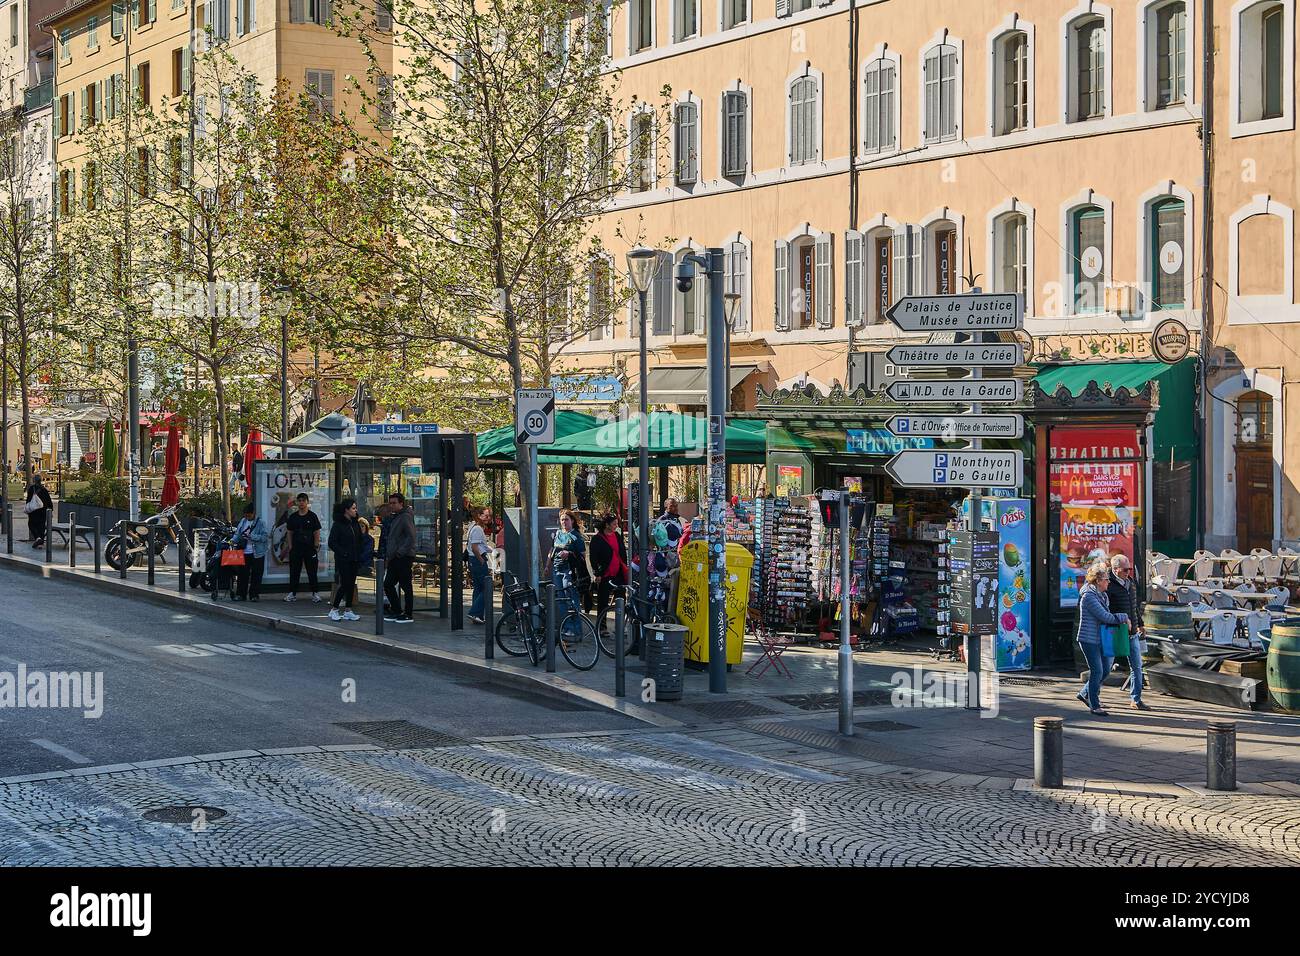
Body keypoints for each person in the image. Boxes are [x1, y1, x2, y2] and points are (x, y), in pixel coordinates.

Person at [1074, 560, 1130, 716]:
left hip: (1101, 638)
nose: (1108, 582)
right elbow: (1105, 617)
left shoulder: (1102, 595)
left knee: (1105, 670)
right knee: (1097, 670)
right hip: (1089, 639)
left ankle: (1085, 694)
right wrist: (1124, 617)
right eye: (1106, 579)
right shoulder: (1089, 597)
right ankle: (1094, 704)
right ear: (1098, 581)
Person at [1108, 553, 1150, 710]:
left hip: (1131, 632)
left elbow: (1134, 605)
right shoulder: (1108, 584)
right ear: (1116, 569)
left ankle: (1136, 699)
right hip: (1115, 631)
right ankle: (1088, 693)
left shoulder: (1130, 582)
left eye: (1130, 569)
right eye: (1125, 570)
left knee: (1137, 666)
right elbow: (1105, 609)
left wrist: (1140, 624)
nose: (1128, 572)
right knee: (1105, 668)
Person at [589, 512, 632, 649]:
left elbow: (622, 552)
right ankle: (602, 627)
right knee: (603, 601)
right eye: (614, 524)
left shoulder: (617, 535)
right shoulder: (597, 539)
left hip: (618, 572)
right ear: (606, 525)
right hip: (605, 574)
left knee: (621, 599)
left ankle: (619, 626)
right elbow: (593, 558)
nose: (616, 526)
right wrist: (597, 573)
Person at [546, 510, 590, 636]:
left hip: (569, 571)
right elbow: (552, 550)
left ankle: (576, 628)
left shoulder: (576, 536)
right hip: (556, 569)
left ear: (572, 521)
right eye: (562, 520)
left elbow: (582, 556)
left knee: (571, 599)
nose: (564, 522)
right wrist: (548, 565)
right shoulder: (558, 534)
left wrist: (569, 553)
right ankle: (566, 627)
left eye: (566, 519)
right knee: (560, 600)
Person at [283, 493, 323, 604]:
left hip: (310, 548)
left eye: (303, 500)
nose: (301, 503)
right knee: (294, 571)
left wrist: (316, 544)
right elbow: (289, 532)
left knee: (312, 571)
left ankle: (315, 593)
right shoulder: (293, 517)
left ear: (307, 502)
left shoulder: (312, 516)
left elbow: (316, 531)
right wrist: (290, 546)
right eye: (299, 500)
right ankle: (292, 593)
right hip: (296, 548)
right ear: (297, 502)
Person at [383, 492, 416, 624]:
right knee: (388, 584)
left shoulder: (405, 517)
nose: (391, 506)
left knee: (405, 585)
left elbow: (411, 537)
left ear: (401, 503)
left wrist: (400, 552)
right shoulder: (397, 516)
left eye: (394, 503)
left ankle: (408, 613)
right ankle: (397, 610)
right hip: (395, 557)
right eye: (390, 503)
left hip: (402, 557)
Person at [328, 499, 363, 621]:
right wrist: (343, 553)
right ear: (346, 510)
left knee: (351, 584)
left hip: (354, 558)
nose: (355, 510)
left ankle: (348, 609)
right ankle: (334, 608)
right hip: (343, 559)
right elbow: (332, 542)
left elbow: (359, 539)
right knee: (345, 583)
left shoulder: (354, 523)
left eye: (355, 508)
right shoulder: (338, 524)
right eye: (353, 508)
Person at [232, 504, 269, 602]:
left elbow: (265, 537)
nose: (247, 517)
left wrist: (252, 536)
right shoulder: (243, 522)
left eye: (249, 515)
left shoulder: (260, 523)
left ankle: (254, 595)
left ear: (254, 513)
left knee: (256, 575)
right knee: (242, 574)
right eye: (245, 515)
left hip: (257, 552)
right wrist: (232, 540)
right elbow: (238, 534)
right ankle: (241, 594)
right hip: (244, 551)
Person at [467, 507, 491, 625]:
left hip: (474, 560)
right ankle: (475, 612)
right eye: (486, 516)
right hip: (477, 560)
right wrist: (481, 560)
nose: (488, 518)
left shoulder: (473, 527)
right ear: (479, 516)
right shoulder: (477, 529)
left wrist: (491, 550)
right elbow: (475, 547)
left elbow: (479, 546)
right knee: (487, 587)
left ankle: (477, 615)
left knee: (478, 588)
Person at [24, 473, 52, 549]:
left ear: (34, 480)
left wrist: (27, 508)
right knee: (41, 526)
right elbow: (49, 501)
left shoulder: (31, 489)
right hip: (43, 511)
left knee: (31, 524)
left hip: (34, 511)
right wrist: (50, 510)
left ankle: (38, 538)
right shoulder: (44, 490)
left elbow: (28, 500)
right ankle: (41, 542)